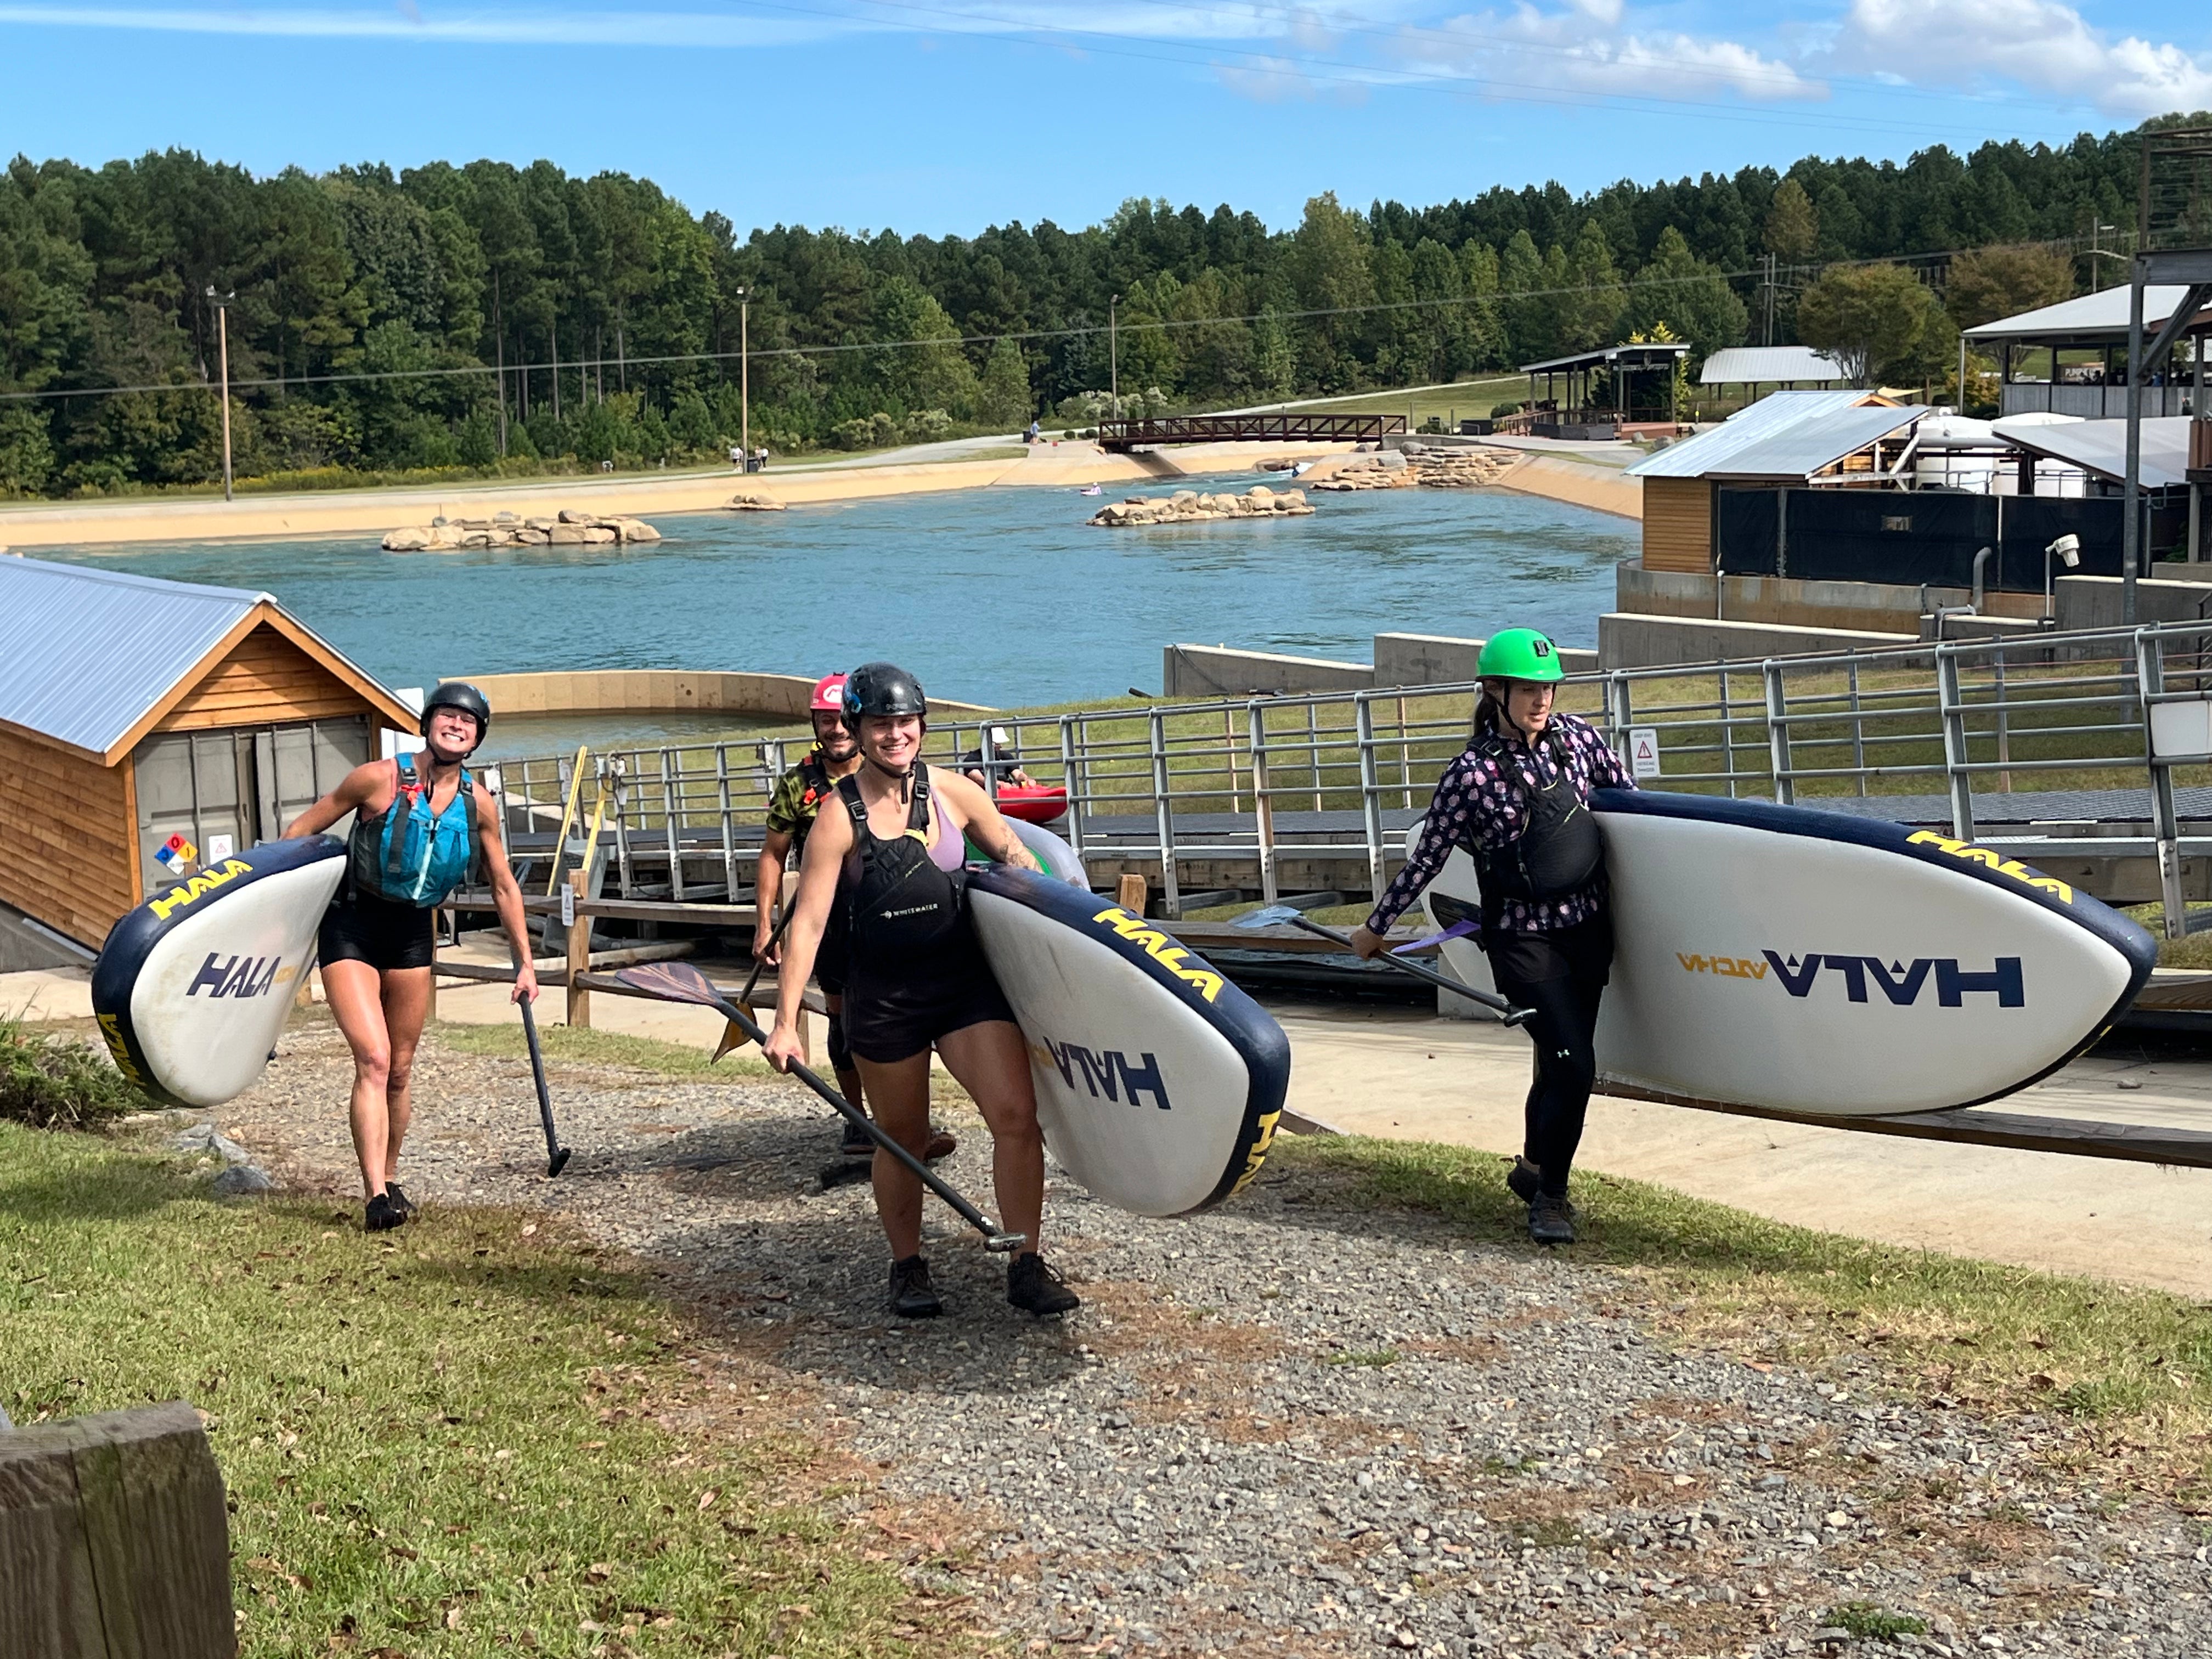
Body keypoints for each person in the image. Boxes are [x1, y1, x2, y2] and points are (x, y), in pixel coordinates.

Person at [763, 662, 1080, 1320]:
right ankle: (907, 1266)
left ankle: (1026, 1261)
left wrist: (1078, 931)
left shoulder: (956, 793)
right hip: (885, 997)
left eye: (905, 721)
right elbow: (811, 923)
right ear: (856, 729)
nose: (895, 734)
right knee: (902, 1138)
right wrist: (786, 1020)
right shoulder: (835, 818)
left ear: (922, 725)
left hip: (964, 985)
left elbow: (1018, 864)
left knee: (1017, 1118)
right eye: (881, 723)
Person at [1347, 629, 1632, 1246]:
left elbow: (1633, 806)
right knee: (1573, 1064)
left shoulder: (1580, 740)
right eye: (1528, 689)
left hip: (1587, 931)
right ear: (1494, 692)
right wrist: (1376, 927)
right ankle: (1551, 1199)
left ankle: (1532, 1169)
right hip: (1523, 942)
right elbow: (1426, 860)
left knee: (1562, 1067)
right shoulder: (1470, 775)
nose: (1541, 700)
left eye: (1548, 687)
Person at [286, 682, 539, 1233]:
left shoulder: (479, 804)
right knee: (373, 1059)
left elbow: (502, 884)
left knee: (400, 1071)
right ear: (427, 724)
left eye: (467, 722)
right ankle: (375, 1194)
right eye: (447, 716)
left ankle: (391, 1177)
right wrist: (276, 907)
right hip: (350, 926)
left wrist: (525, 962)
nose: (456, 726)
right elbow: (301, 830)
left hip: (410, 936)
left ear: (477, 738)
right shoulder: (376, 778)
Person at [757, 673, 955, 1167]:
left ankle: (908, 1123)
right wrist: (764, 923)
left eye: (838, 720)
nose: (836, 731)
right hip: (833, 922)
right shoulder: (800, 787)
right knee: (844, 1015)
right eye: (825, 721)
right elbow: (772, 854)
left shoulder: (894, 770)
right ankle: (856, 1114)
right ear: (822, 724)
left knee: (909, 1015)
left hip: (889, 910)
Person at [959, 726, 1036, 791]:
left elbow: (1018, 774)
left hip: (1006, 791)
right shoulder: (973, 758)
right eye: (997, 744)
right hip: (983, 794)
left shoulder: (1005, 756)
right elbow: (979, 779)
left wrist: (1026, 779)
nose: (1000, 746)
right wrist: (999, 784)